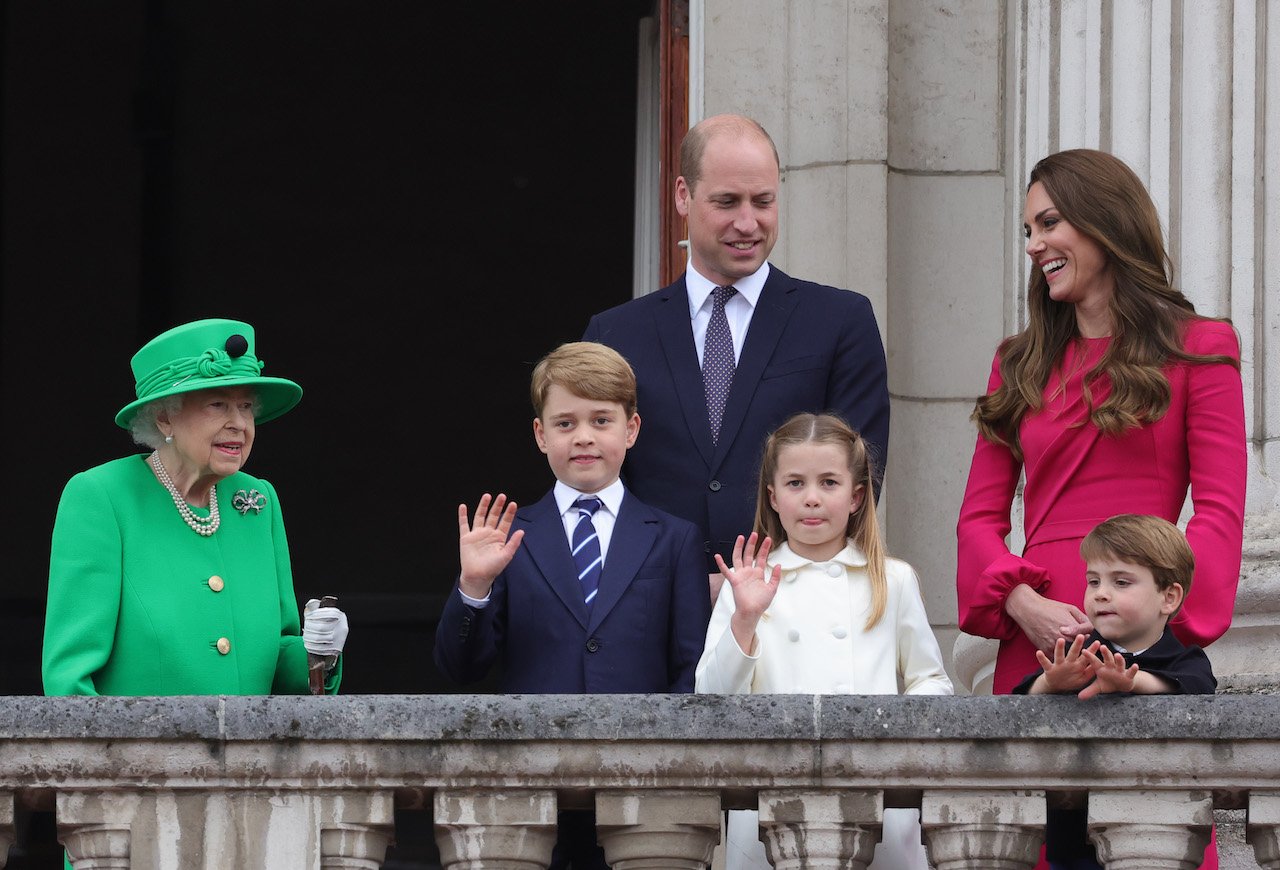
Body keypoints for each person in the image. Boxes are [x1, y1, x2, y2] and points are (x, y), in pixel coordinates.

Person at [955, 148, 1245, 870]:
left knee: (1150, 844)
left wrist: (1160, 629)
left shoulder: (1201, 347)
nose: (1034, 246)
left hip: (1142, 642)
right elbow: (977, 521)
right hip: (1040, 641)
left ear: (1104, 222)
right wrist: (1023, 605)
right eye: (1028, 229)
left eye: (1049, 222)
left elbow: (1218, 510)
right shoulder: (1017, 362)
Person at [42, 318, 348, 867]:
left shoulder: (258, 501)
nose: (240, 424)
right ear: (163, 416)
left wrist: (319, 652)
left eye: (247, 407)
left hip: (255, 812)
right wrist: (110, 800)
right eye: (218, 406)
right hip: (137, 818)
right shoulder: (100, 497)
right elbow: (69, 683)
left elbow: (279, 657)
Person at [583, 113, 890, 604]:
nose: (748, 223)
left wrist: (765, 581)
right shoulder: (615, 333)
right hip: (651, 613)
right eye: (726, 202)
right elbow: (592, 482)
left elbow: (857, 480)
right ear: (683, 195)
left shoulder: (840, 321)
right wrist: (675, 586)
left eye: (763, 202)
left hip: (794, 609)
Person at [432, 340, 711, 870]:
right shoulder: (509, 537)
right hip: (532, 791)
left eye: (601, 420)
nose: (583, 436)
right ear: (541, 435)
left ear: (630, 430)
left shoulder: (673, 538)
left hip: (640, 793)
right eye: (564, 423)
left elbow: (689, 670)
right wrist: (473, 585)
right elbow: (459, 668)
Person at [696, 412, 951, 870]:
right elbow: (711, 699)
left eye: (828, 483)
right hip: (770, 800)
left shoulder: (891, 580)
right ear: (773, 496)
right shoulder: (749, 583)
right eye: (795, 483)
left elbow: (930, 681)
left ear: (856, 496)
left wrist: (886, 736)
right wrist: (746, 620)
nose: (811, 499)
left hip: (876, 798)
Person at [1013, 514, 1216, 869]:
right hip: (1074, 839)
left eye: (1121, 582)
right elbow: (1013, 708)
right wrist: (1050, 683)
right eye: (1093, 581)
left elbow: (1198, 691)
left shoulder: (1184, 659)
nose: (1101, 593)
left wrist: (1134, 682)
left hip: (1158, 833)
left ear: (1169, 597)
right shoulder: (1079, 653)